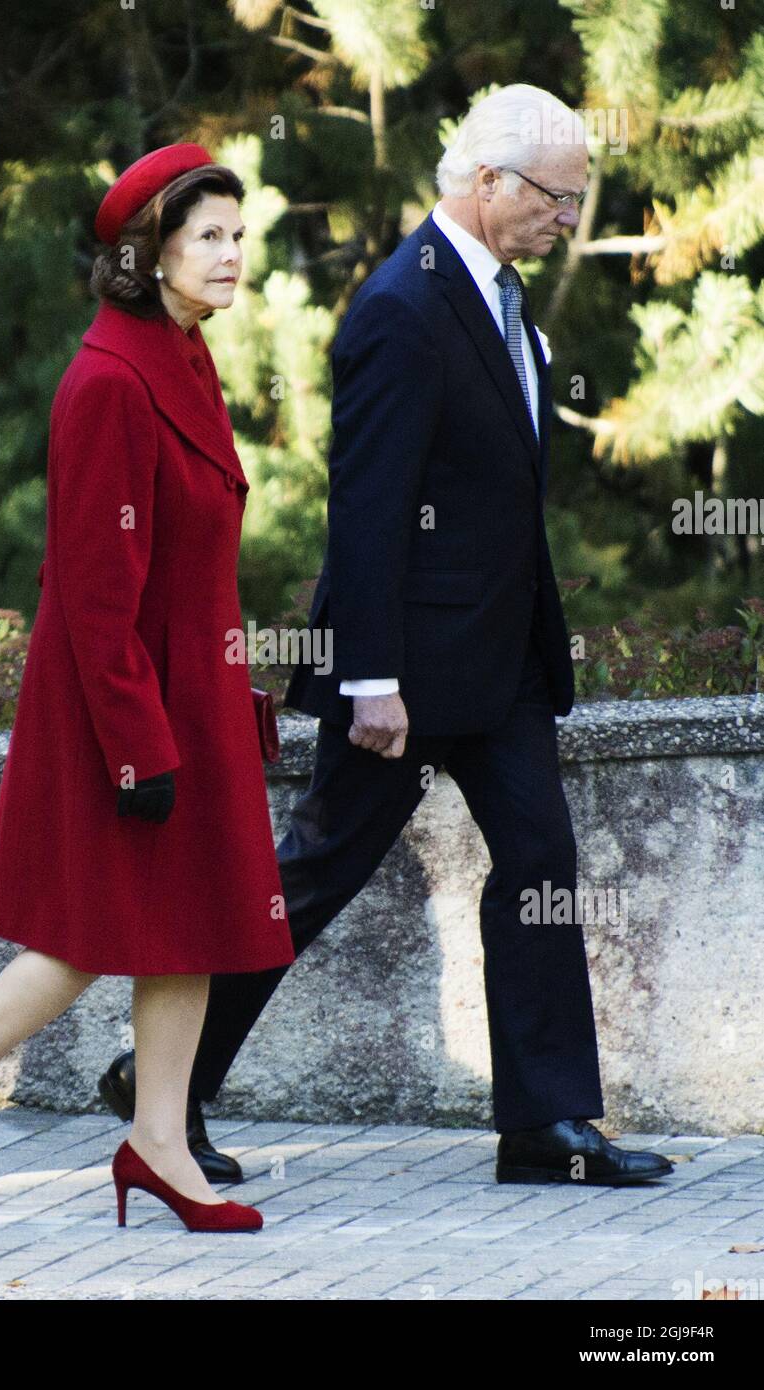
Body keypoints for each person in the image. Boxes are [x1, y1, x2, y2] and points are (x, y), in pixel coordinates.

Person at [102, 87, 675, 1189]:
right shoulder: (400, 308)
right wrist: (367, 678)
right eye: (558, 195)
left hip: (500, 663)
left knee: (542, 863)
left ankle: (547, 1125)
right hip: (402, 672)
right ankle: (159, 1084)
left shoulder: (502, 300)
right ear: (491, 184)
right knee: (311, 877)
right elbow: (366, 509)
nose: (570, 213)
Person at [0, 142, 295, 1233]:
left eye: (241, 236)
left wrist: (233, 700)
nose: (234, 256)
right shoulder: (110, 381)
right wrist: (142, 744)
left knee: (191, 923)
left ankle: (158, 1139)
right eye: (210, 238)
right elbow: (96, 593)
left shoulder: (185, 356)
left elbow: (199, 570)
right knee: (84, 935)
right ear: (148, 254)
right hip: (128, 706)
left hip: (190, 692)